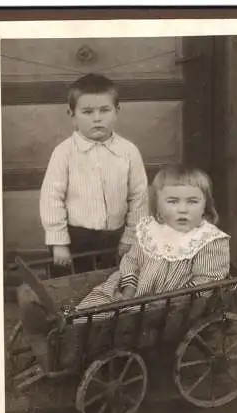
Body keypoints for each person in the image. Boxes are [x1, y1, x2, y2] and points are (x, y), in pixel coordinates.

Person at [75, 165, 230, 314]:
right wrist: (129, 290)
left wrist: (167, 301)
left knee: (120, 323)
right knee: (93, 310)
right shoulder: (151, 230)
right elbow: (132, 260)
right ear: (159, 206)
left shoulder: (208, 239)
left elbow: (206, 282)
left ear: (205, 205)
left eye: (192, 201)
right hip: (134, 291)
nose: (183, 209)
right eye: (172, 201)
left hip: (170, 306)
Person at [39, 73, 149, 273]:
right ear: (72, 115)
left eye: (104, 110)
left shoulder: (128, 151)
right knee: (73, 288)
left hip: (116, 237)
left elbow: (139, 197)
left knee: (112, 285)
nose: (97, 118)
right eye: (87, 112)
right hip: (75, 239)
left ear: (117, 111)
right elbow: (51, 198)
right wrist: (58, 242)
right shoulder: (64, 152)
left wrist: (131, 237)